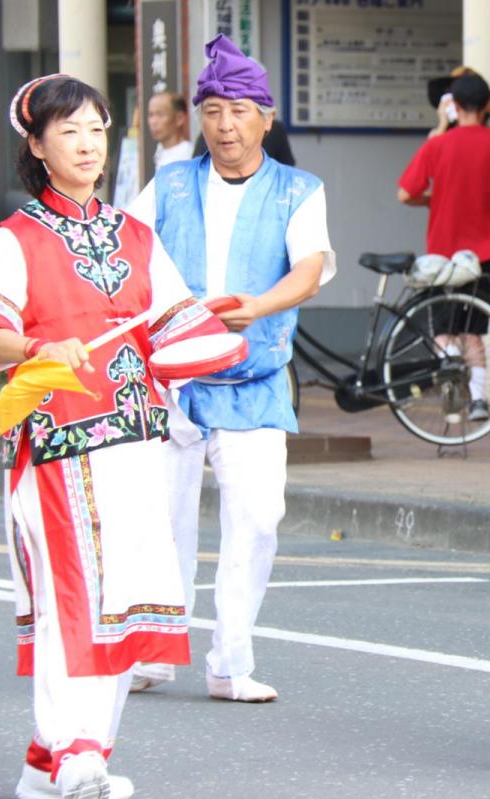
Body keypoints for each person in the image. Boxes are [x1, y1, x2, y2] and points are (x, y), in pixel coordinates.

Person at [0, 74, 227, 799]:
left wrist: (216, 331)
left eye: (97, 128)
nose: (88, 143)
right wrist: (37, 347)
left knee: (123, 601)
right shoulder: (17, 239)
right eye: (69, 130)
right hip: (57, 445)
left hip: (137, 442)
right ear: (37, 146)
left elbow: (176, 326)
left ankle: (58, 762)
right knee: (75, 595)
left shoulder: (136, 236)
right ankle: (77, 755)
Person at [125, 35, 336, 702]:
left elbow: (310, 269)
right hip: (173, 380)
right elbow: (127, 256)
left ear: (266, 119)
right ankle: (154, 652)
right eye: (213, 110)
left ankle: (230, 664)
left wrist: (259, 307)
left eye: (239, 111)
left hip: (255, 379)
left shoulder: (298, 190)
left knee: (257, 518)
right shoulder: (170, 183)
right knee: (164, 522)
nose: (225, 125)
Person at [397, 72, 490, 422]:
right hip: (484, 253)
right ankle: (479, 400)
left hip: (442, 249)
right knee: (473, 327)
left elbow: (405, 193)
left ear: (453, 105)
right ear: (486, 105)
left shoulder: (438, 145)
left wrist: (431, 198)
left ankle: (450, 388)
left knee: (443, 328)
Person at [147, 91, 193, 169]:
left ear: (179, 118)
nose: (153, 122)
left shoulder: (189, 156)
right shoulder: (160, 151)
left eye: (160, 115)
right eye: (151, 115)